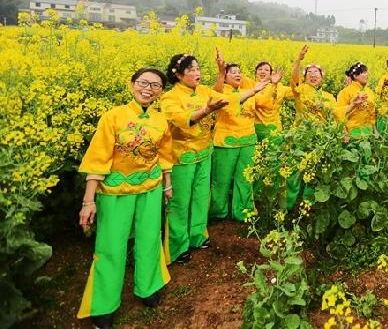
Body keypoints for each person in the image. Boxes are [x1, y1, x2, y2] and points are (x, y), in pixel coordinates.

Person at [77, 68, 173, 329]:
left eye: (155, 85)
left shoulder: (160, 120)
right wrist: (89, 201)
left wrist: (167, 186)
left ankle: (148, 287)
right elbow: (97, 159)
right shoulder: (113, 117)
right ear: (132, 85)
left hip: (150, 189)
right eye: (143, 83)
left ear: (161, 92)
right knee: (111, 246)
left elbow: (164, 156)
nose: (148, 88)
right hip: (115, 192)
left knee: (149, 239)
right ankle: (104, 305)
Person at [160, 53, 260, 265]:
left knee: (201, 197)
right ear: (178, 75)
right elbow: (182, 120)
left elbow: (225, 97)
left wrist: (248, 87)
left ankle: (198, 236)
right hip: (181, 158)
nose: (197, 73)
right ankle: (178, 248)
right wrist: (206, 110)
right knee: (179, 202)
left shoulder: (203, 91)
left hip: (204, 153)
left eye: (198, 68)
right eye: (191, 70)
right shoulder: (170, 98)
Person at [209, 55, 270, 221]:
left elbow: (266, 102)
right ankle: (217, 212)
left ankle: (243, 211)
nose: (238, 74)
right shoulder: (222, 92)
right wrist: (220, 72)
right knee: (220, 180)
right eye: (233, 72)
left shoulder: (248, 91)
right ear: (225, 77)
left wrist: (274, 83)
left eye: (239, 72)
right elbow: (218, 96)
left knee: (245, 178)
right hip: (226, 143)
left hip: (248, 141)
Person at [286, 45, 343, 209]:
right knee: (294, 170)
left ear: (322, 77)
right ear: (304, 77)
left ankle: (308, 207)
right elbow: (294, 79)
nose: (312, 76)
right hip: (301, 135)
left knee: (314, 172)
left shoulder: (328, 96)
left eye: (316, 73)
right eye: (309, 73)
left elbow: (337, 114)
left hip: (320, 138)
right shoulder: (300, 89)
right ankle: (288, 206)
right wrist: (299, 59)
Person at [338, 62, 378, 140]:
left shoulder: (370, 92)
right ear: (355, 76)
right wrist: (344, 132)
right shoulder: (345, 92)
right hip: (352, 132)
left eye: (367, 72)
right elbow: (339, 114)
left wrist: (375, 130)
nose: (367, 75)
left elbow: (372, 114)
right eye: (363, 72)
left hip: (368, 132)